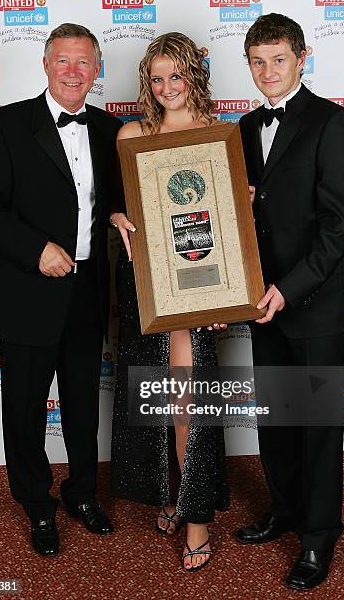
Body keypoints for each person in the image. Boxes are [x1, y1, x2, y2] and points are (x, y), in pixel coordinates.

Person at [0, 23, 123, 556]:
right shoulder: (6, 124)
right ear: (46, 65)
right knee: (25, 409)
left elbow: (122, 202)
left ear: (97, 69)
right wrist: (36, 250)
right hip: (29, 291)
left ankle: (81, 494)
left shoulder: (110, 129)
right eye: (63, 61)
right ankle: (37, 504)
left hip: (88, 290)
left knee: (82, 404)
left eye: (84, 62)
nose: (74, 71)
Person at [235, 13, 344, 590]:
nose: (267, 71)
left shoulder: (334, 123)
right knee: (276, 418)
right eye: (257, 62)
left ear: (301, 57)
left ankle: (318, 535)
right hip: (261, 300)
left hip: (312, 302)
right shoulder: (241, 127)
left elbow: (340, 226)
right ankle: (285, 509)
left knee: (314, 424)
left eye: (278, 60)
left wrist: (288, 289)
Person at [110, 32, 230, 572]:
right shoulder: (133, 133)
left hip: (203, 280)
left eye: (175, 75)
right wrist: (116, 217)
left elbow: (234, 215)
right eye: (156, 78)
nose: (166, 87)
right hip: (147, 281)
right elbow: (118, 203)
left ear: (193, 74)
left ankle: (198, 516)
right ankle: (169, 492)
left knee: (190, 398)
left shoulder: (219, 133)